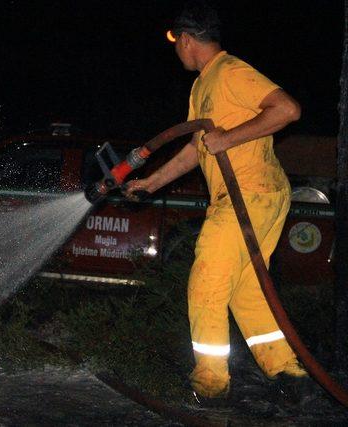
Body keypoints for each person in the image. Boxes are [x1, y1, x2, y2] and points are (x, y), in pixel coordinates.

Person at [124, 1, 307, 401]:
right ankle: (288, 374)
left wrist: (229, 138)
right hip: (252, 194)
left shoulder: (230, 72)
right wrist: (152, 182)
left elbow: (287, 110)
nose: (176, 49)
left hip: (249, 193)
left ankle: (209, 385)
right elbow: (197, 148)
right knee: (245, 289)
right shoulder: (203, 84)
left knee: (206, 280)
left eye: (177, 42)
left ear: (187, 40)